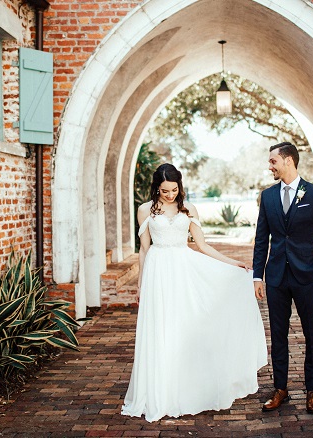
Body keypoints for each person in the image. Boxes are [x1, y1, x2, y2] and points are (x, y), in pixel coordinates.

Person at [121, 163, 267, 422]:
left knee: (182, 327)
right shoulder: (144, 210)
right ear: (156, 188)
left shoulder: (188, 209)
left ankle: (185, 388)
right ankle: (159, 391)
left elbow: (202, 245)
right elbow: (144, 250)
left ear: (180, 187)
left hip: (183, 271)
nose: (170, 195)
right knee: (160, 329)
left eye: (174, 190)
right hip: (157, 273)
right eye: (165, 191)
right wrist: (141, 285)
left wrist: (234, 263)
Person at [253, 142, 313, 414]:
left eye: (273, 161)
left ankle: (312, 391)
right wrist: (258, 276)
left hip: (306, 276)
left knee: (311, 333)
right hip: (276, 276)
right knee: (278, 336)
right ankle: (281, 389)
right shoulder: (267, 197)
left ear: (288, 160)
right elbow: (261, 240)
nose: (270, 166)